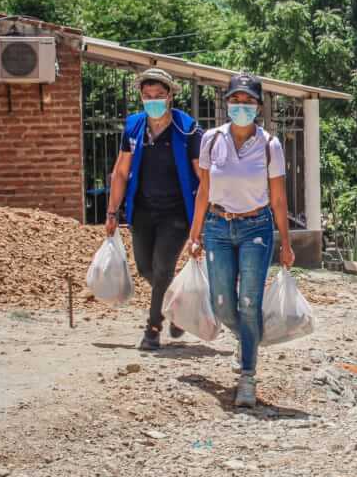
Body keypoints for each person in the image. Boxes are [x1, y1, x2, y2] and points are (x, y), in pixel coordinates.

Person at [188, 73, 296, 408]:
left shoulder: (269, 145)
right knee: (222, 303)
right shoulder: (210, 139)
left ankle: (247, 375)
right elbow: (204, 189)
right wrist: (195, 233)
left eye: (248, 101)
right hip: (218, 227)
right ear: (226, 104)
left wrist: (287, 243)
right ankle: (245, 337)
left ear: (258, 107)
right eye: (235, 100)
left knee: (249, 302)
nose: (241, 106)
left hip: (256, 229)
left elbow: (278, 199)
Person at [105, 68, 203, 351]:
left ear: (170, 95)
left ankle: (153, 328)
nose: (153, 100)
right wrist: (112, 211)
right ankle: (176, 304)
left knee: (162, 267)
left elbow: (201, 176)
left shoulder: (187, 128)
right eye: (147, 96)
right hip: (143, 211)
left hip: (176, 213)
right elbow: (121, 173)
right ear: (140, 96)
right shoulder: (134, 126)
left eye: (159, 95)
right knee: (146, 268)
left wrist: (201, 220)